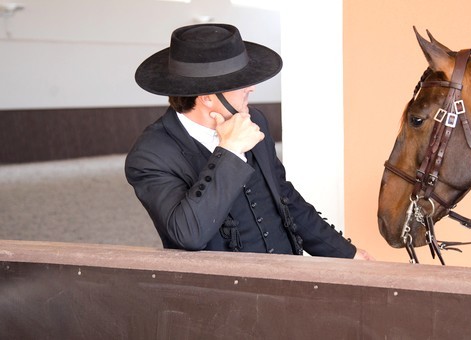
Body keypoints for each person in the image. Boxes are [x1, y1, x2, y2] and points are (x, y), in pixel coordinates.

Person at [126, 23, 373, 260]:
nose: (251, 88)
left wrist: (345, 254)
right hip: (225, 296)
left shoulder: (254, 120)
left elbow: (285, 197)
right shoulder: (150, 155)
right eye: (240, 82)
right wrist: (230, 150)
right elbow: (188, 235)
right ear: (207, 98)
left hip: (290, 278)